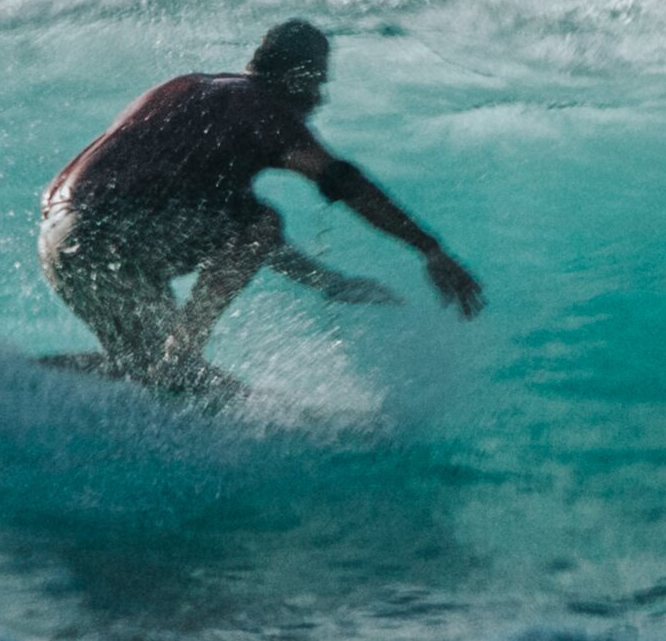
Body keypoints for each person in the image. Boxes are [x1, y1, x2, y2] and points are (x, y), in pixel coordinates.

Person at [41, 20, 484, 393]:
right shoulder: (260, 107)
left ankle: (19, 379)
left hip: (66, 242)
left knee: (149, 375)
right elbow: (340, 182)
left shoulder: (197, 93)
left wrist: (328, 282)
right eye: (317, 82)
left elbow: (237, 232)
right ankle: (185, 352)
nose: (319, 99)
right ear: (297, 75)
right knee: (177, 372)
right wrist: (429, 248)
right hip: (109, 234)